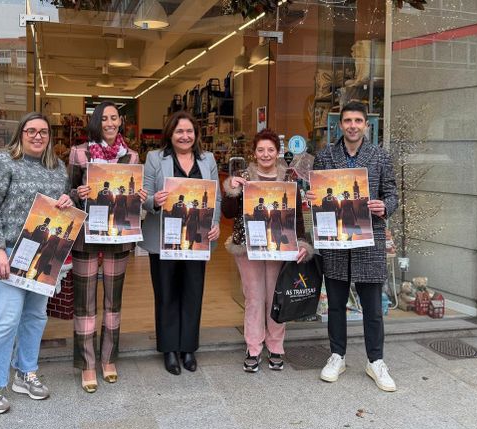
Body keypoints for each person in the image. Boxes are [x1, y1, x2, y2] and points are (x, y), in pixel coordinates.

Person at [0, 112, 73, 414]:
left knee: (35, 316)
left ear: (49, 137)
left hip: (43, 251)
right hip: (7, 250)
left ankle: (24, 372)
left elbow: (62, 209)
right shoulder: (3, 162)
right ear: (21, 134)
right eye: (31, 131)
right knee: (7, 317)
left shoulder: (58, 169)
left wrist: (69, 202)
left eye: (43, 132)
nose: (37, 136)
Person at [306, 102, 398, 392]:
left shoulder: (380, 157)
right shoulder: (325, 156)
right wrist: (312, 198)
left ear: (366, 125)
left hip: (369, 237)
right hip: (335, 239)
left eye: (358, 120)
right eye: (348, 120)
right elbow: (317, 195)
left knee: (372, 307)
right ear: (340, 124)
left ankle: (375, 360)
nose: (353, 125)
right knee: (335, 304)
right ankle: (337, 355)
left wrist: (385, 206)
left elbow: (393, 192)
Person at [69, 101, 147, 393]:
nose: (110, 123)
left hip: (117, 236)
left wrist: (139, 195)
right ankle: (87, 363)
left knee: (113, 301)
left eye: (114, 118)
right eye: (104, 118)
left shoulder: (131, 156)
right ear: (96, 122)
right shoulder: (80, 152)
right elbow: (68, 191)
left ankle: (108, 358)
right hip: (87, 236)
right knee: (85, 302)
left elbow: (133, 198)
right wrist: (78, 192)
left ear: (120, 122)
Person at [221, 129, 313, 373]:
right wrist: (231, 188)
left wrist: (301, 243)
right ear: (254, 152)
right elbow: (228, 212)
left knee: (276, 297)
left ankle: (276, 347)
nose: (265, 154)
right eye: (260, 150)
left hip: (279, 246)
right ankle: (253, 348)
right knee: (254, 298)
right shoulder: (243, 176)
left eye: (270, 149)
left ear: (278, 152)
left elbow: (297, 218)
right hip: (248, 246)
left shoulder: (288, 180)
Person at [140, 110, 221, 375]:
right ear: (170, 134)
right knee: (166, 292)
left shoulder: (207, 159)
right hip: (165, 236)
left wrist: (215, 224)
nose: (184, 136)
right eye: (179, 131)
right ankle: (169, 349)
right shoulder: (155, 158)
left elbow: (216, 197)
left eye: (189, 131)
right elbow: (145, 196)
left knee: (193, 291)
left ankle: (188, 348)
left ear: (196, 134)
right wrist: (155, 201)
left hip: (197, 237)